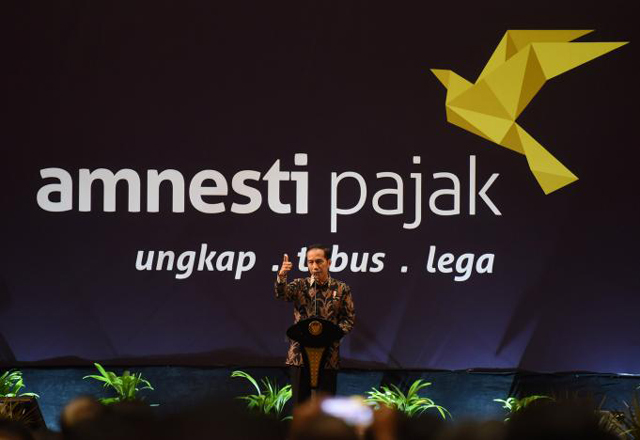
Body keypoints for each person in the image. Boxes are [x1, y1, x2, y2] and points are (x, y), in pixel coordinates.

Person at [275, 244, 355, 404]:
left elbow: (349, 318)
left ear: (329, 262)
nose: (314, 266)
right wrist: (282, 276)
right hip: (299, 356)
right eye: (310, 262)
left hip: (328, 357)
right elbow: (281, 295)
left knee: (325, 407)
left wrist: (333, 335)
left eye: (319, 262)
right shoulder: (299, 285)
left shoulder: (341, 289)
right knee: (300, 406)